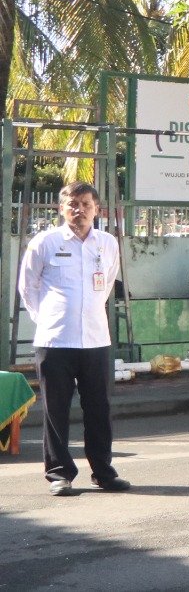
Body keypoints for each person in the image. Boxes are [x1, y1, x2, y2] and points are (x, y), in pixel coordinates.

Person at [18, 182, 128, 496]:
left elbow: (107, 283)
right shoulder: (45, 242)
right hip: (55, 341)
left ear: (97, 209)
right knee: (56, 410)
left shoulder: (106, 243)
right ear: (61, 209)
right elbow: (28, 287)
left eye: (85, 204)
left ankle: (103, 473)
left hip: (95, 340)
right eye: (72, 204)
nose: (79, 210)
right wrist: (48, 319)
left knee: (99, 410)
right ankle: (59, 474)